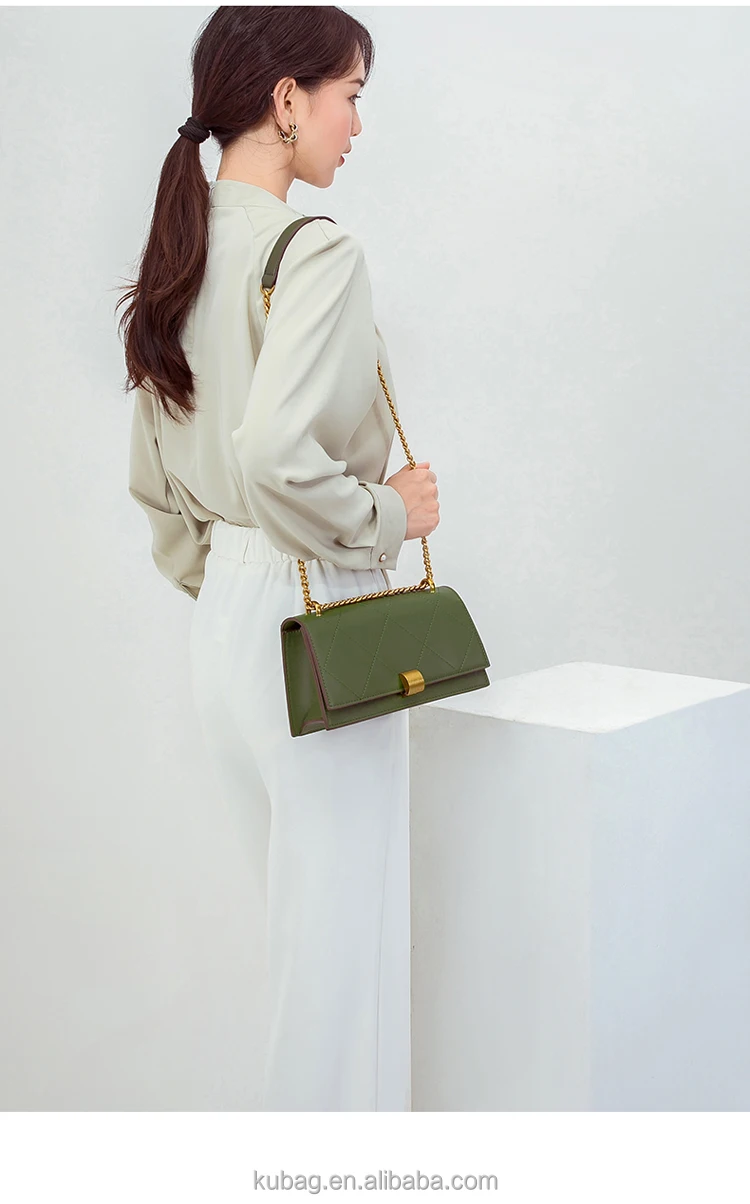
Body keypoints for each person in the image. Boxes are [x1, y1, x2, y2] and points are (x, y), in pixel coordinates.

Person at [118, 6, 439, 1111]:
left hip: (227, 624)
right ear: (286, 100)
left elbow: (156, 480)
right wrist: (390, 514)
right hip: (317, 610)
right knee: (338, 961)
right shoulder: (316, 251)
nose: (358, 125)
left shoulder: (181, 249)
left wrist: (232, 586)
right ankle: (318, 1176)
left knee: (306, 950)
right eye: (350, 95)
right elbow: (273, 455)